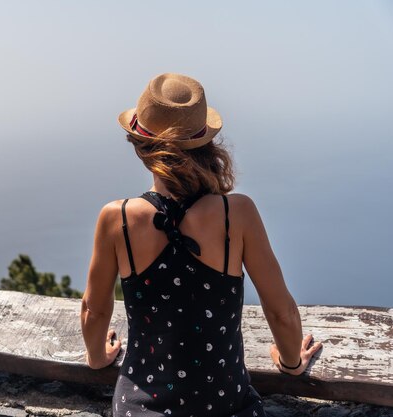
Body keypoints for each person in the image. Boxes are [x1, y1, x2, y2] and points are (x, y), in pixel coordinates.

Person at [80, 73, 323, 417]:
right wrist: (292, 362)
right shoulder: (235, 214)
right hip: (225, 406)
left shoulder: (117, 218)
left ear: (141, 149)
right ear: (206, 145)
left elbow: (95, 310)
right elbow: (281, 311)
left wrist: (97, 357)